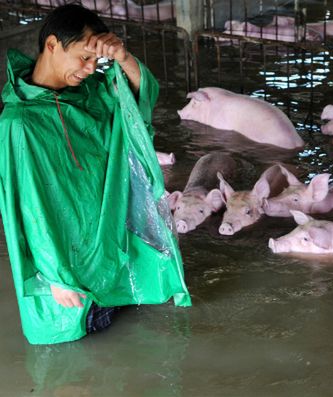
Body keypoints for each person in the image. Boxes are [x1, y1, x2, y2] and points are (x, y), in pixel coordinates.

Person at [0, 4, 191, 345]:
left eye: (95, 60)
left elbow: (138, 102)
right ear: (53, 45)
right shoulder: (21, 123)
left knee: (137, 329)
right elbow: (28, 208)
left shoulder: (92, 94)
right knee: (83, 337)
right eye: (83, 58)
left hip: (109, 246)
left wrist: (123, 57)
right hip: (67, 267)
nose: (90, 69)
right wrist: (54, 277)